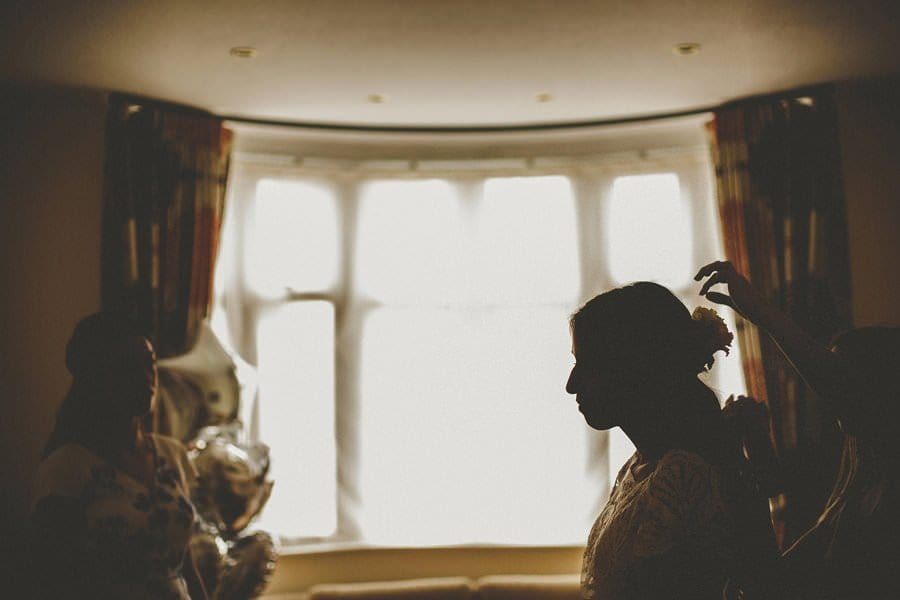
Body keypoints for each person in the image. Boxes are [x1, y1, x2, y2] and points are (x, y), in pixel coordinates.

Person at [696, 260, 900, 599]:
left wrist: (761, 312)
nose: (824, 393)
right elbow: (780, 577)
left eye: (839, 374)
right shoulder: (853, 483)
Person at [566, 282, 779, 600]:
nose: (571, 385)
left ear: (633, 366)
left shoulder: (683, 475)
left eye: (586, 364)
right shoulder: (640, 467)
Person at [29, 312, 208, 599]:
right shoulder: (67, 469)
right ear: (95, 378)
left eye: (149, 364)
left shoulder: (172, 455)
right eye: (127, 367)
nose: (145, 377)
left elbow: (185, 564)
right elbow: (51, 579)